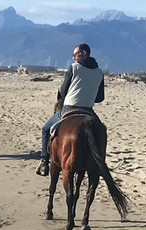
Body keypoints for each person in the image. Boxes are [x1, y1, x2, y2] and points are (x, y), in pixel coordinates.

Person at [36, 43, 105, 176]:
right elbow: (100, 98)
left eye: (75, 54)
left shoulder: (74, 67)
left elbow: (63, 91)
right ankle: (100, 163)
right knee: (101, 131)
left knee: (45, 129)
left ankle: (44, 161)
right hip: (89, 110)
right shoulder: (99, 72)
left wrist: (64, 96)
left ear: (84, 53)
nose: (74, 57)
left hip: (70, 107)